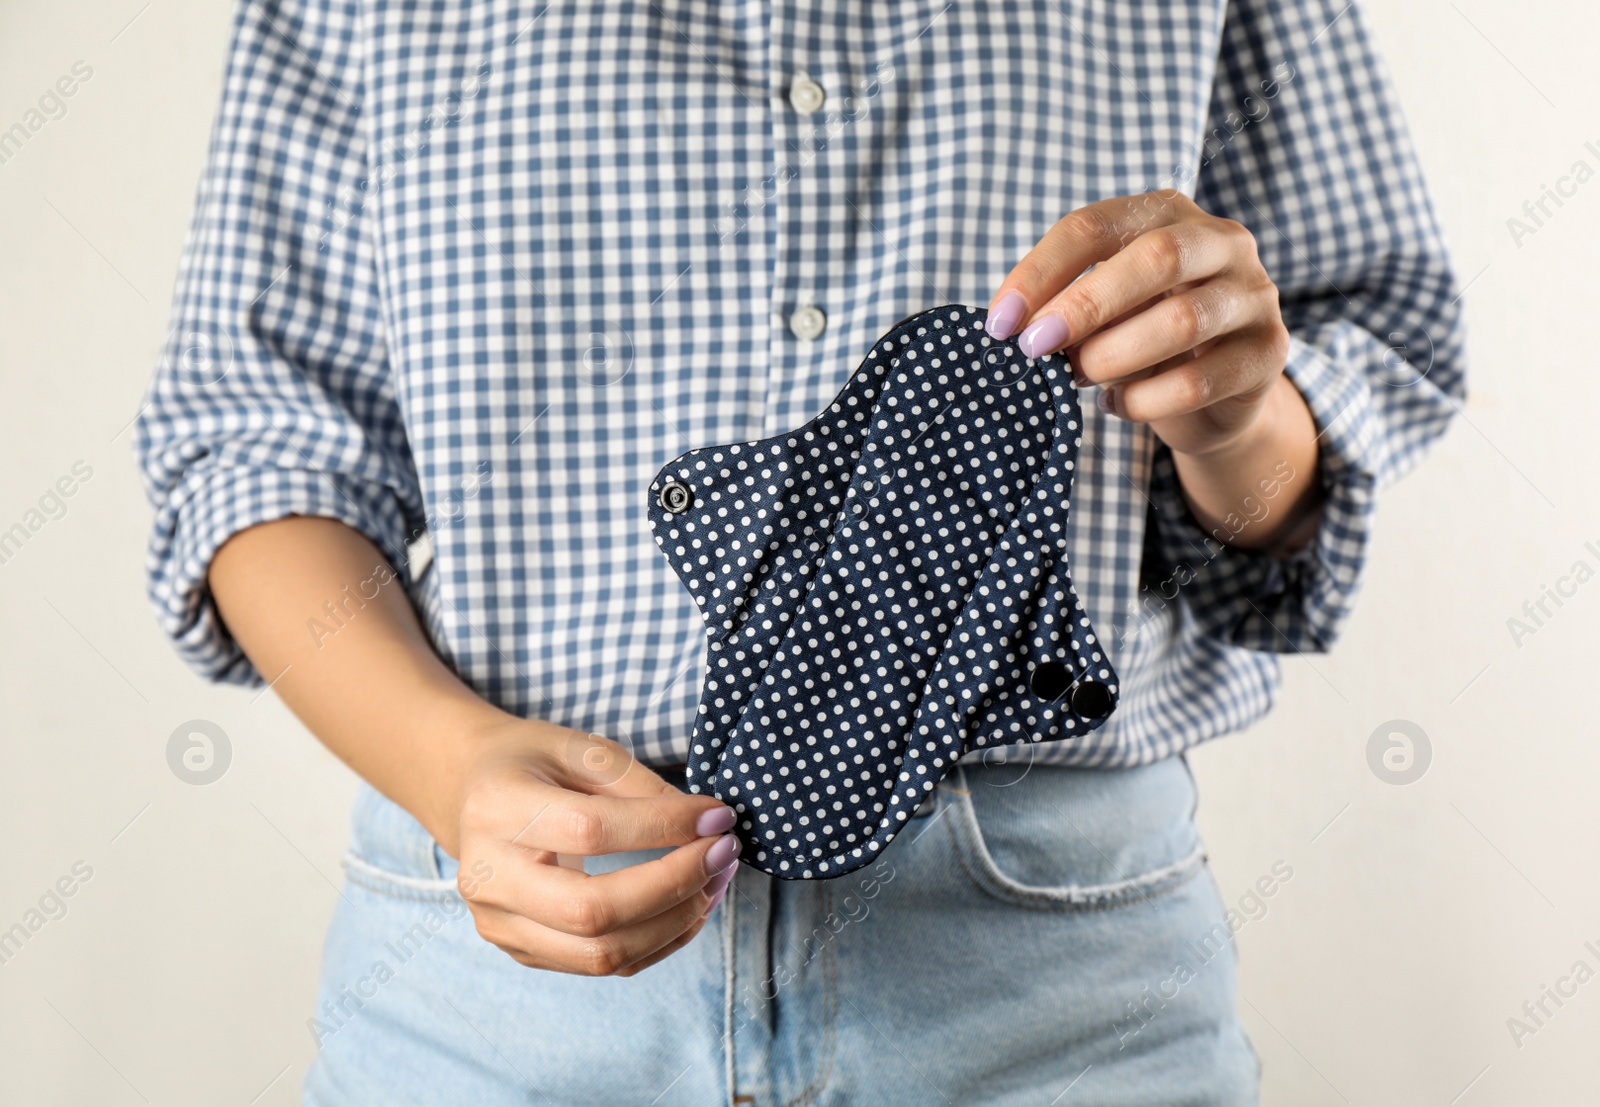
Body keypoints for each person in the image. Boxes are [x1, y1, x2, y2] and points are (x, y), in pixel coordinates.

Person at [134, 0, 1464, 1102]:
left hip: (1055, 995)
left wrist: (1237, 416)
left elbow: (1302, 480)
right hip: (492, 985)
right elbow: (260, 445)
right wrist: (446, 764)